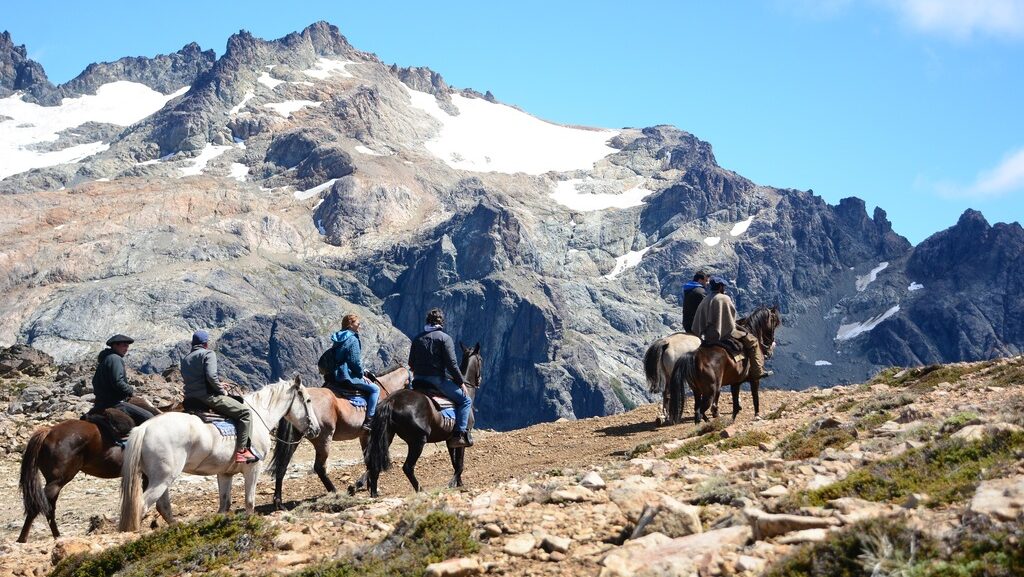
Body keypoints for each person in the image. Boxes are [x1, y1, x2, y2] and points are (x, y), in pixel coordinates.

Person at [180, 330, 257, 463]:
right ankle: (242, 451)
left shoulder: (186, 359)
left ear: (193, 343)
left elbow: (196, 379)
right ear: (206, 344)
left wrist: (219, 383)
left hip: (190, 399)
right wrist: (221, 390)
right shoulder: (208, 354)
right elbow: (211, 376)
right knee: (245, 413)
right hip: (207, 397)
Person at [408, 308, 473, 448]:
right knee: (466, 400)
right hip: (436, 381)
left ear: (427, 321)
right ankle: (459, 435)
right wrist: (461, 383)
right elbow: (452, 364)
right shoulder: (444, 338)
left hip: (418, 380)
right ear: (441, 322)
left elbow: (411, 363)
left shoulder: (417, 338)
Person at [690, 277, 772, 381]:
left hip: (708, 337)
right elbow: (731, 319)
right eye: (723, 286)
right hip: (725, 334)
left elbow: (698, 320)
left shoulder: (705, 299)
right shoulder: (724, 298)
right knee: (753, 342)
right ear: (720, 287)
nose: (724, 288)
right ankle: (758, 371)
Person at [329, 314, 379, 431]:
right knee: (375, 389)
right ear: (350, 324)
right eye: (358, 323)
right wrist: (361, 375)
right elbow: (354, 361)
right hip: (347, 375)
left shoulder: (338, 337)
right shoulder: (352, 339)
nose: (359, 325)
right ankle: (369, 421)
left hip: (335, 374)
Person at [92, 334, 154, 424]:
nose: (126, 349)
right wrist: (130, 390)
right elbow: (118, 382)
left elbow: (94, 382)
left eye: (127, 346)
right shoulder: (115, 359)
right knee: (149, 417)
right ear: (115, 345)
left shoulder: (105, 358)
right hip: (114, 403)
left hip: (100, 402)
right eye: (124, 345)